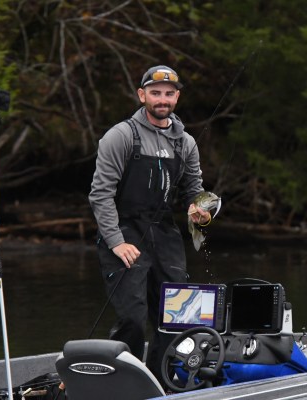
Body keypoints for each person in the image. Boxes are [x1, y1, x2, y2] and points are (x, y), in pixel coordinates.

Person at [89, 65, 212, 385]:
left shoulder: (186, 142)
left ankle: (163, 381)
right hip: (124, 230)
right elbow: (100, 194)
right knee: (133, 317)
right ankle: (124, 383)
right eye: (155, 93)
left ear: (177, 98)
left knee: (180, 317)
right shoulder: (120, 136)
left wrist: (199, 210)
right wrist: (116, 241)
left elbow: (194, 191)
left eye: (169, 94)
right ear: (142, 95)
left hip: (165, 232)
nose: (162, 99)